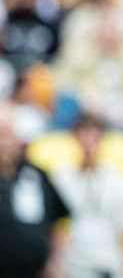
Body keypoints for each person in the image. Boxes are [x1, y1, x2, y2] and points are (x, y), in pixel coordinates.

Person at [51, 114, 123, 278]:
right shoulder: (61, 177)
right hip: (75, 265)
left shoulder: (120, 179)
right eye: (83, 132)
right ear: (74, 136)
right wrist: (55, 263)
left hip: (112, 263)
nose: (88, 140)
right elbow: (57, 229)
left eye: (93, 133)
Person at [0, 108, 70, 278]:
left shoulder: (35, 174)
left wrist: (55, 261)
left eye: (8, 134)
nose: (5, 142)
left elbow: (60, 219)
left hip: (34, 270)